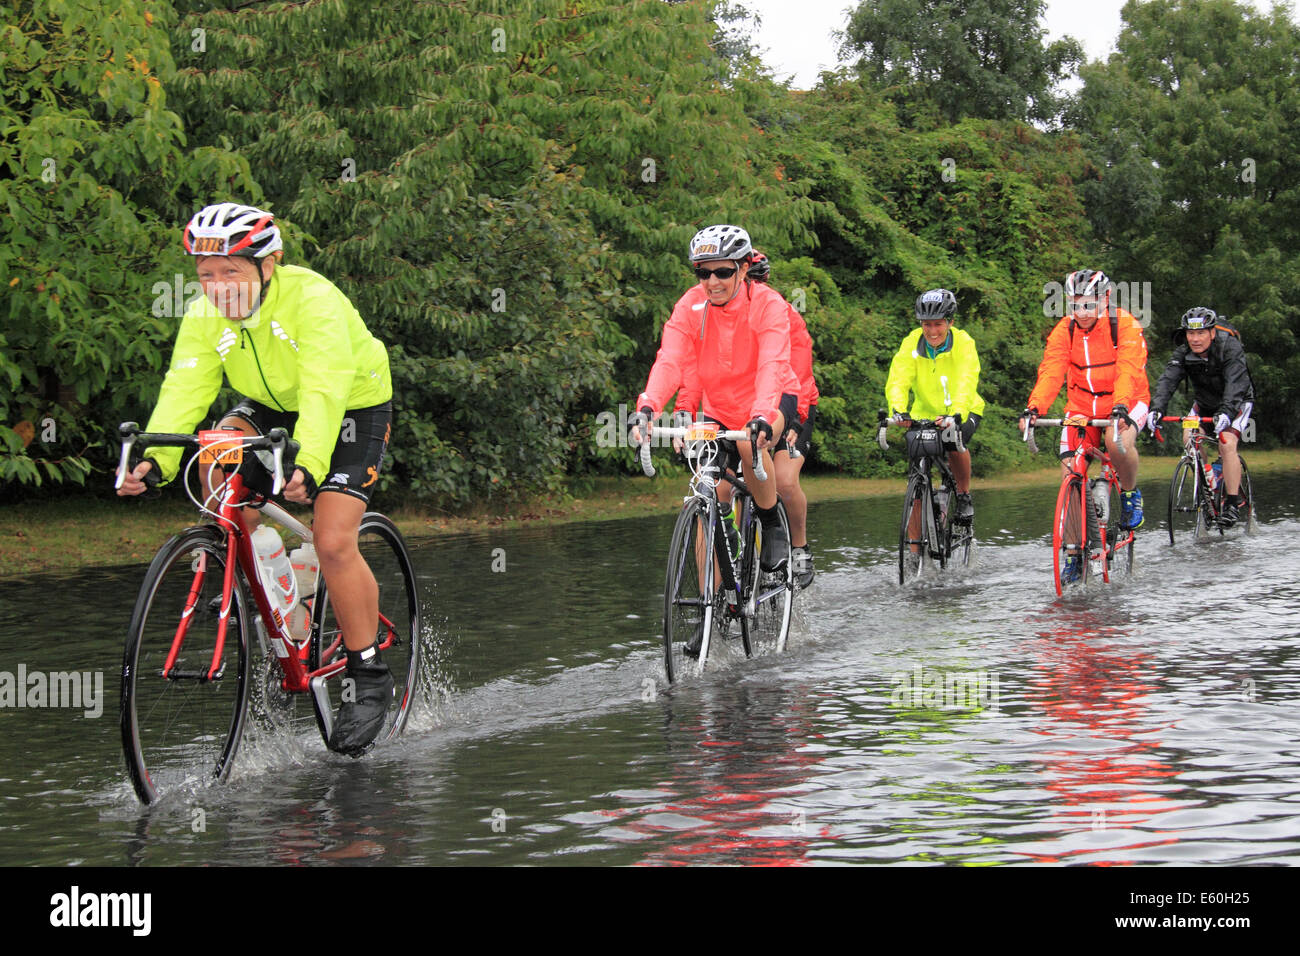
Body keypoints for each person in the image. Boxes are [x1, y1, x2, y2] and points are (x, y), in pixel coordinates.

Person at [116, 202, 396, 756]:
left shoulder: (312, 299)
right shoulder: (204, 315)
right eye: (206, 275)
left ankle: (368, 675)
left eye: (231, 272)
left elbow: (323, 388)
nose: (218, 287)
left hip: (348, 405)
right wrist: (154, 458)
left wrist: (310, 464)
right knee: (216, 462)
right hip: (268, 405)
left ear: (268, 266)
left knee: (335, 538)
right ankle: (277, 581)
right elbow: (186, 387)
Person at [630, 224, 800, 599]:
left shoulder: (768, 304)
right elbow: (671, 360)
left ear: (742, 269)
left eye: (722, 271)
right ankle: (709, 607)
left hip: (770, 398)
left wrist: (758, 416)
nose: (712, 281)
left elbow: (772, 363)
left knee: (748, 445)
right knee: (710, 495)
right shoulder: (690, 306)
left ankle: (771, 521)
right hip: (719, 408)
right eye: (703, 272)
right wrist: (648, 406)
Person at [1019, 269, 1149, 585]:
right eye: (1075, 304)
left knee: (1116, 442)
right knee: (1071, 472)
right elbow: (1051, 371)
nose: (1081, 311)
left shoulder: (1125, 325)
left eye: (1088, 303)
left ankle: (1131, 494)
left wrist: (1120, 406)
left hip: (1128, 400)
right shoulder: (1064, 330)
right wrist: (1034, 408)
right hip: (1080, 408)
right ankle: (1075, 554)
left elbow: (1130, 371)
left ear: (1104, 299)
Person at [885, 288, 984, 533]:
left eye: (938, 324)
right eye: (926, 324)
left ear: (950, 322)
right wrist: (898, 410)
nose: (932, 331)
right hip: (923, 414)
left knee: (953, 441)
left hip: (964, 408)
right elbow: (898, 379)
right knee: (916, 480)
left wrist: (956, 414)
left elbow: (966, 380)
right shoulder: (911, 342)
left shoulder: (964, 343)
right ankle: (915, 556)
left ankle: (963, 495)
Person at [748, 251, 819, 589]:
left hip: (794, 403)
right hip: (749, 406)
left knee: (786, 482)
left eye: (755, 281)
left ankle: (800, 547)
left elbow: (801, 375)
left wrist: (796, 421)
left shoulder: (785, 314)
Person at [1149, 307, 1255, 527]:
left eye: (1200, 333)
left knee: (1226, 444)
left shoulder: (1229, 347)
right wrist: (1156, 409)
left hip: (1237, 402)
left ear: (1212, 333)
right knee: (1189, 439)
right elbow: (1168, 380)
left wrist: (1226, 413)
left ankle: (1232, 505)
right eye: (1190, 334)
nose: (1195, 339)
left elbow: (1236, 384)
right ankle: (1209, 479)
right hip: (1204, 404)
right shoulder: (1183, 352)